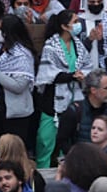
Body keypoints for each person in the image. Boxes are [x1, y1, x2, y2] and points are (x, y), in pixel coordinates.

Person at [36, 9, 93, 167]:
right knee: (46, 140)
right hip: (52, 101)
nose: (77, 25)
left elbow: (87, 65)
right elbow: (49, 74)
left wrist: (82, 74)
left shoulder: (78, 45)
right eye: (74, 22)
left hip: (74, 98)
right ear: (64, 26)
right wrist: (73, 75)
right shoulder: (51, 46)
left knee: (68, 142)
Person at [0, 14, 36, 148]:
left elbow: (19, 86)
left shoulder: (22, 55)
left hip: (13, 113)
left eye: (0, 29)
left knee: (11, 149)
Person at [55, 69, 107, 156]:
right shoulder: (74, 112)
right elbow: (62, 142)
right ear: (93, 90)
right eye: (106, 88)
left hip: (105, 163)